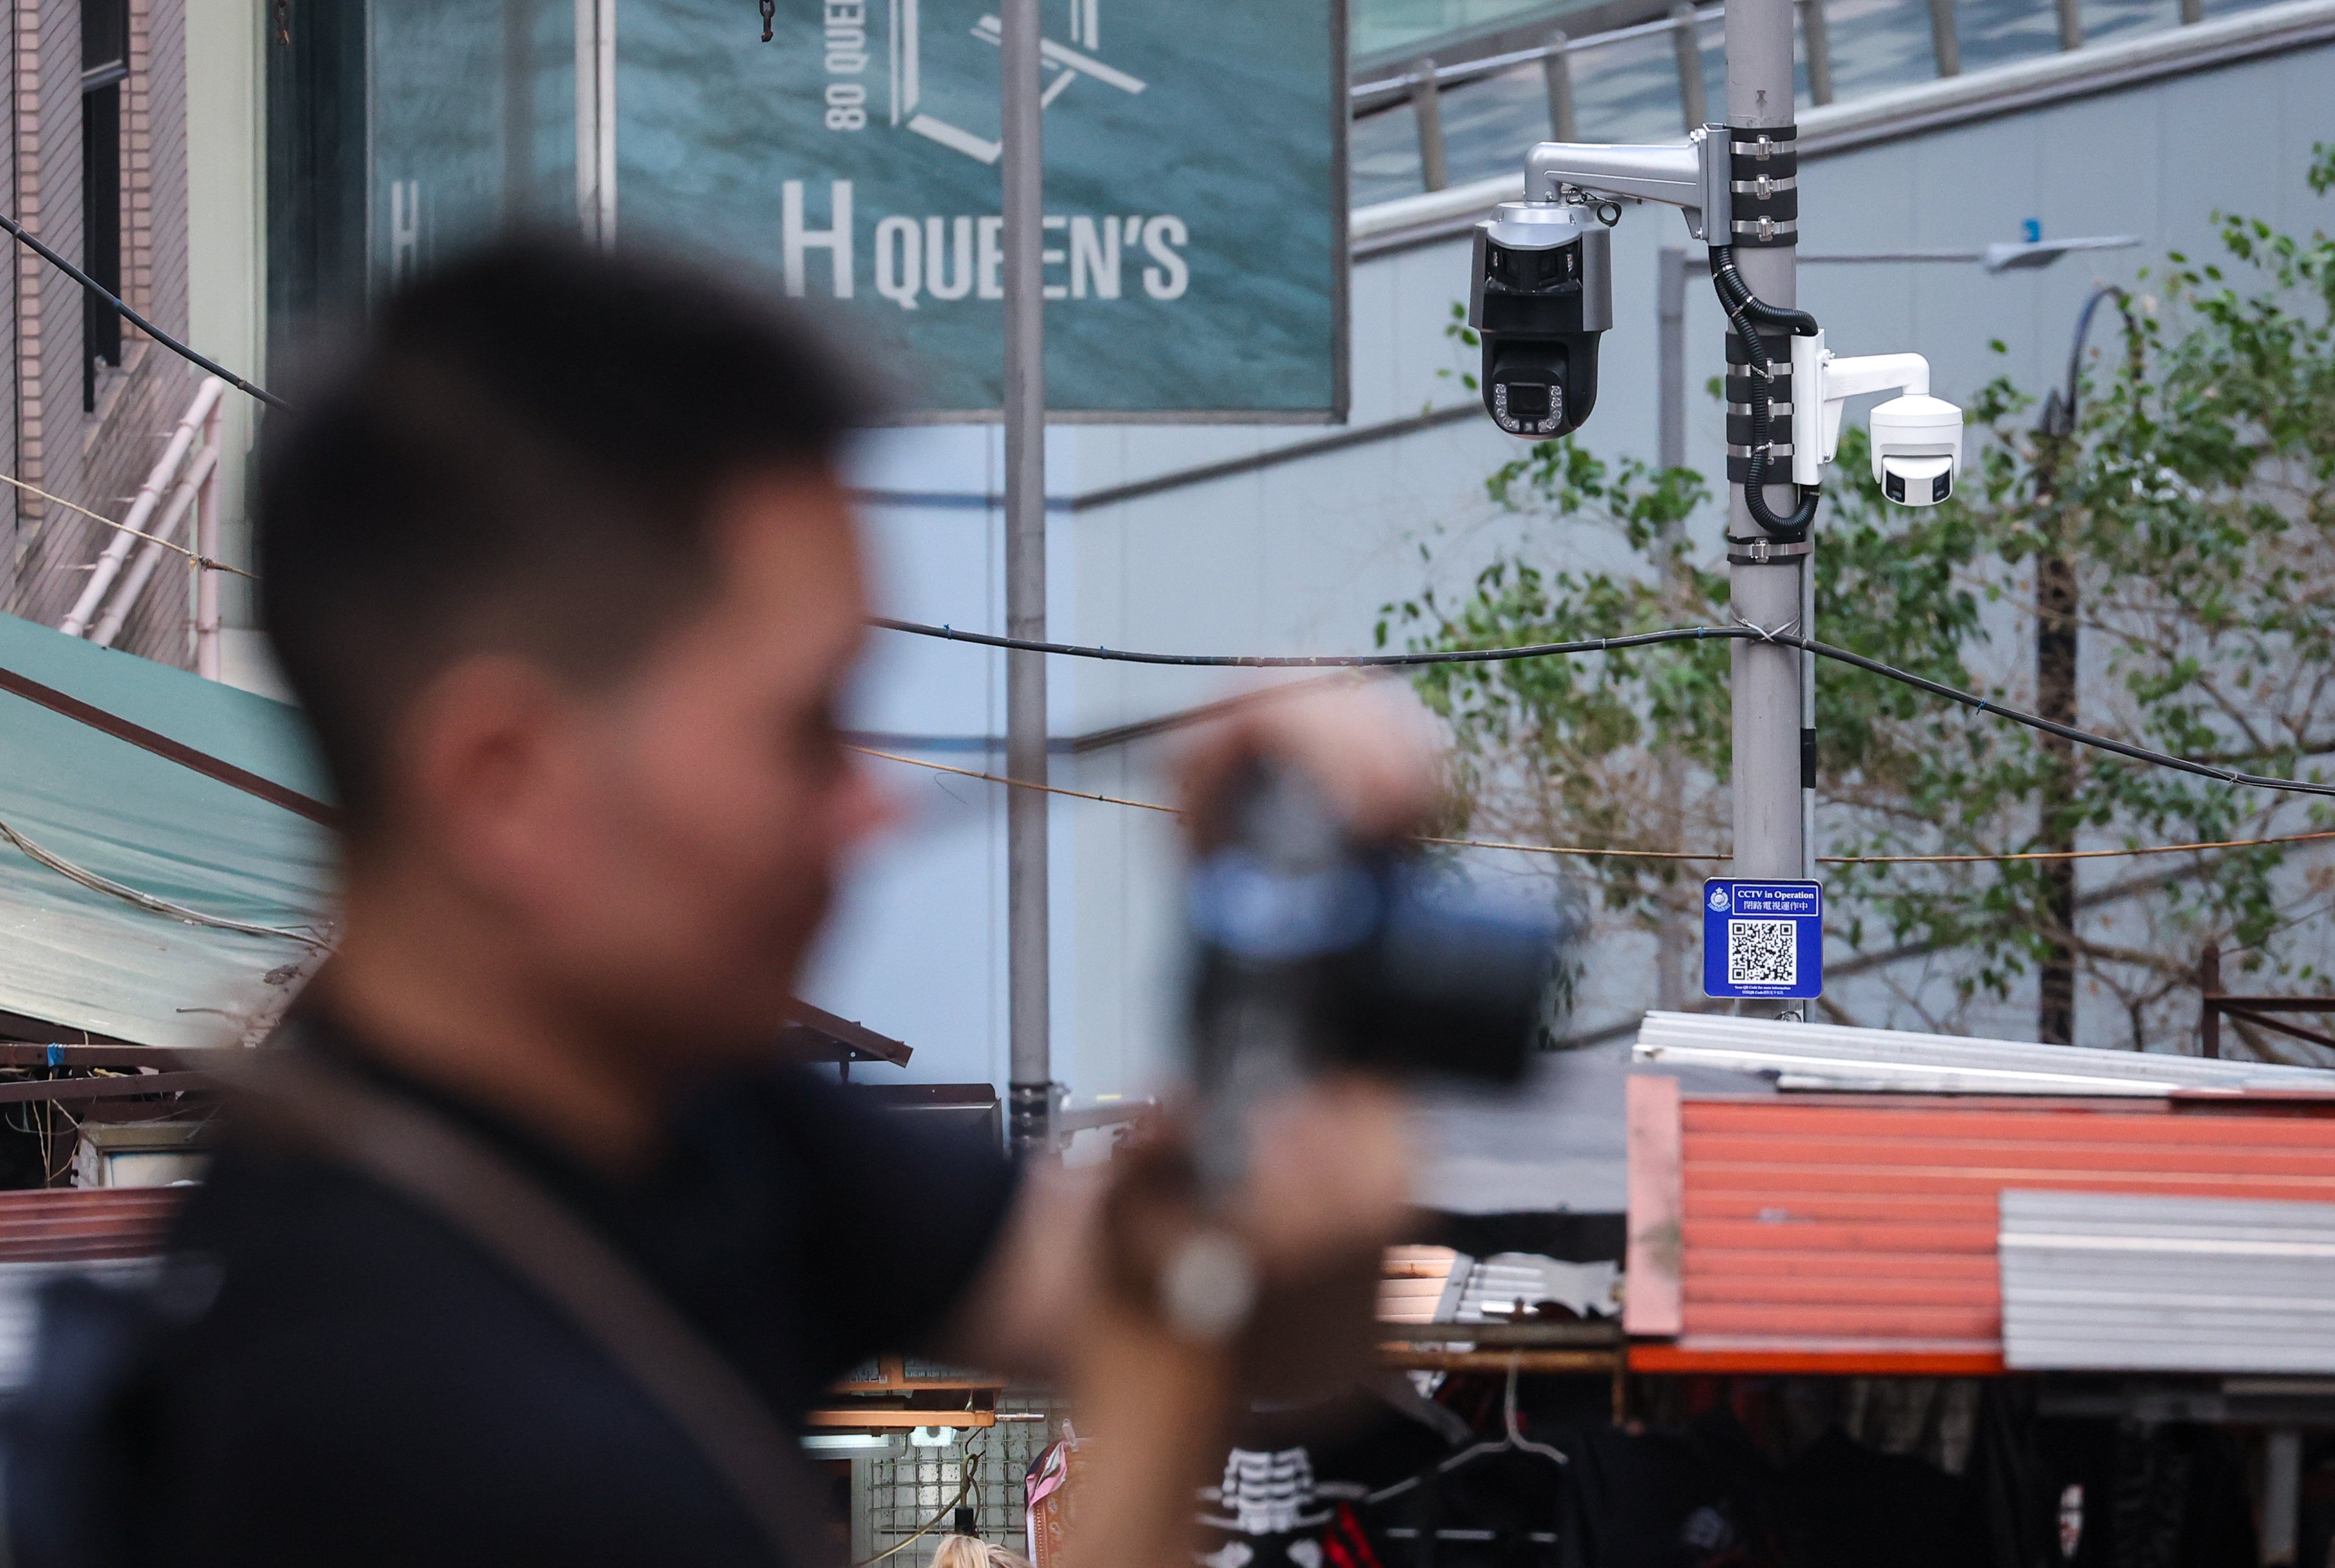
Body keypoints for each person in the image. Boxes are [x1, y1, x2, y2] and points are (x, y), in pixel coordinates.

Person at [23, 238, 1431, 1568]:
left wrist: (1293, 987)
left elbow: (1253, 1332)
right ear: (502, 783)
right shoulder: (439, 1442)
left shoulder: (665, 1113)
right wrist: (1169, 1335)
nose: (869, 805)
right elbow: (1170, 1320)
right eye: (804, 732)